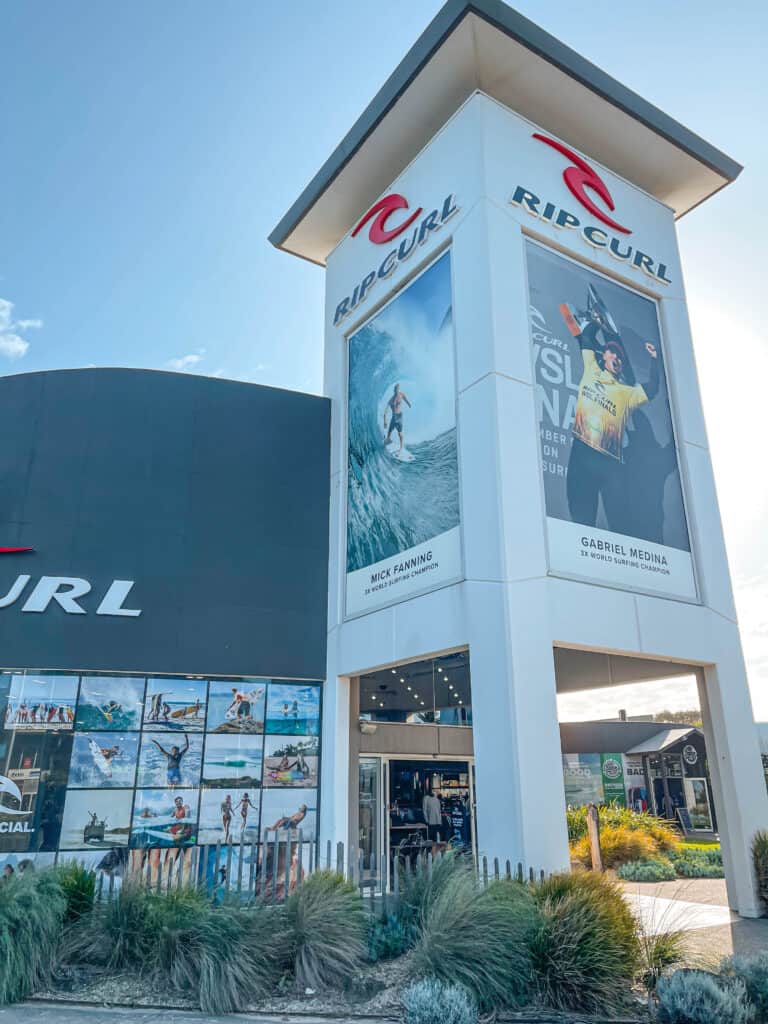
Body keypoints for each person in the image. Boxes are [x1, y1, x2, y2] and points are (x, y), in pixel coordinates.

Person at [565, 299, 661, 533]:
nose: (618, 358)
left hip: (610, 463)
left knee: (621, 526)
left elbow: (653, 387)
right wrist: (598, 321)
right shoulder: (592, 368)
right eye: (613, 353)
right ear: (604, 356)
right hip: (581, 454)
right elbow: (586, 337)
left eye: (621, 357)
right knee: (581, 524)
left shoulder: (628, 394)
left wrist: (654, 360)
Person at [383, 383, 412, 453]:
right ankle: (388, 441)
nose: (397, 391)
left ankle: (401, 447)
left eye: (398, 389)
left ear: (399, 389)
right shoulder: (391, 400)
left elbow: (405, 399)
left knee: (400, 433)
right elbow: (385, 412)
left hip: (400, 416)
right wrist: (385, 421)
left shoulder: (401, 394)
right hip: (394, 417)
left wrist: (409, 404)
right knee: (389, 432)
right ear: (394, 390)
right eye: (396, 390)